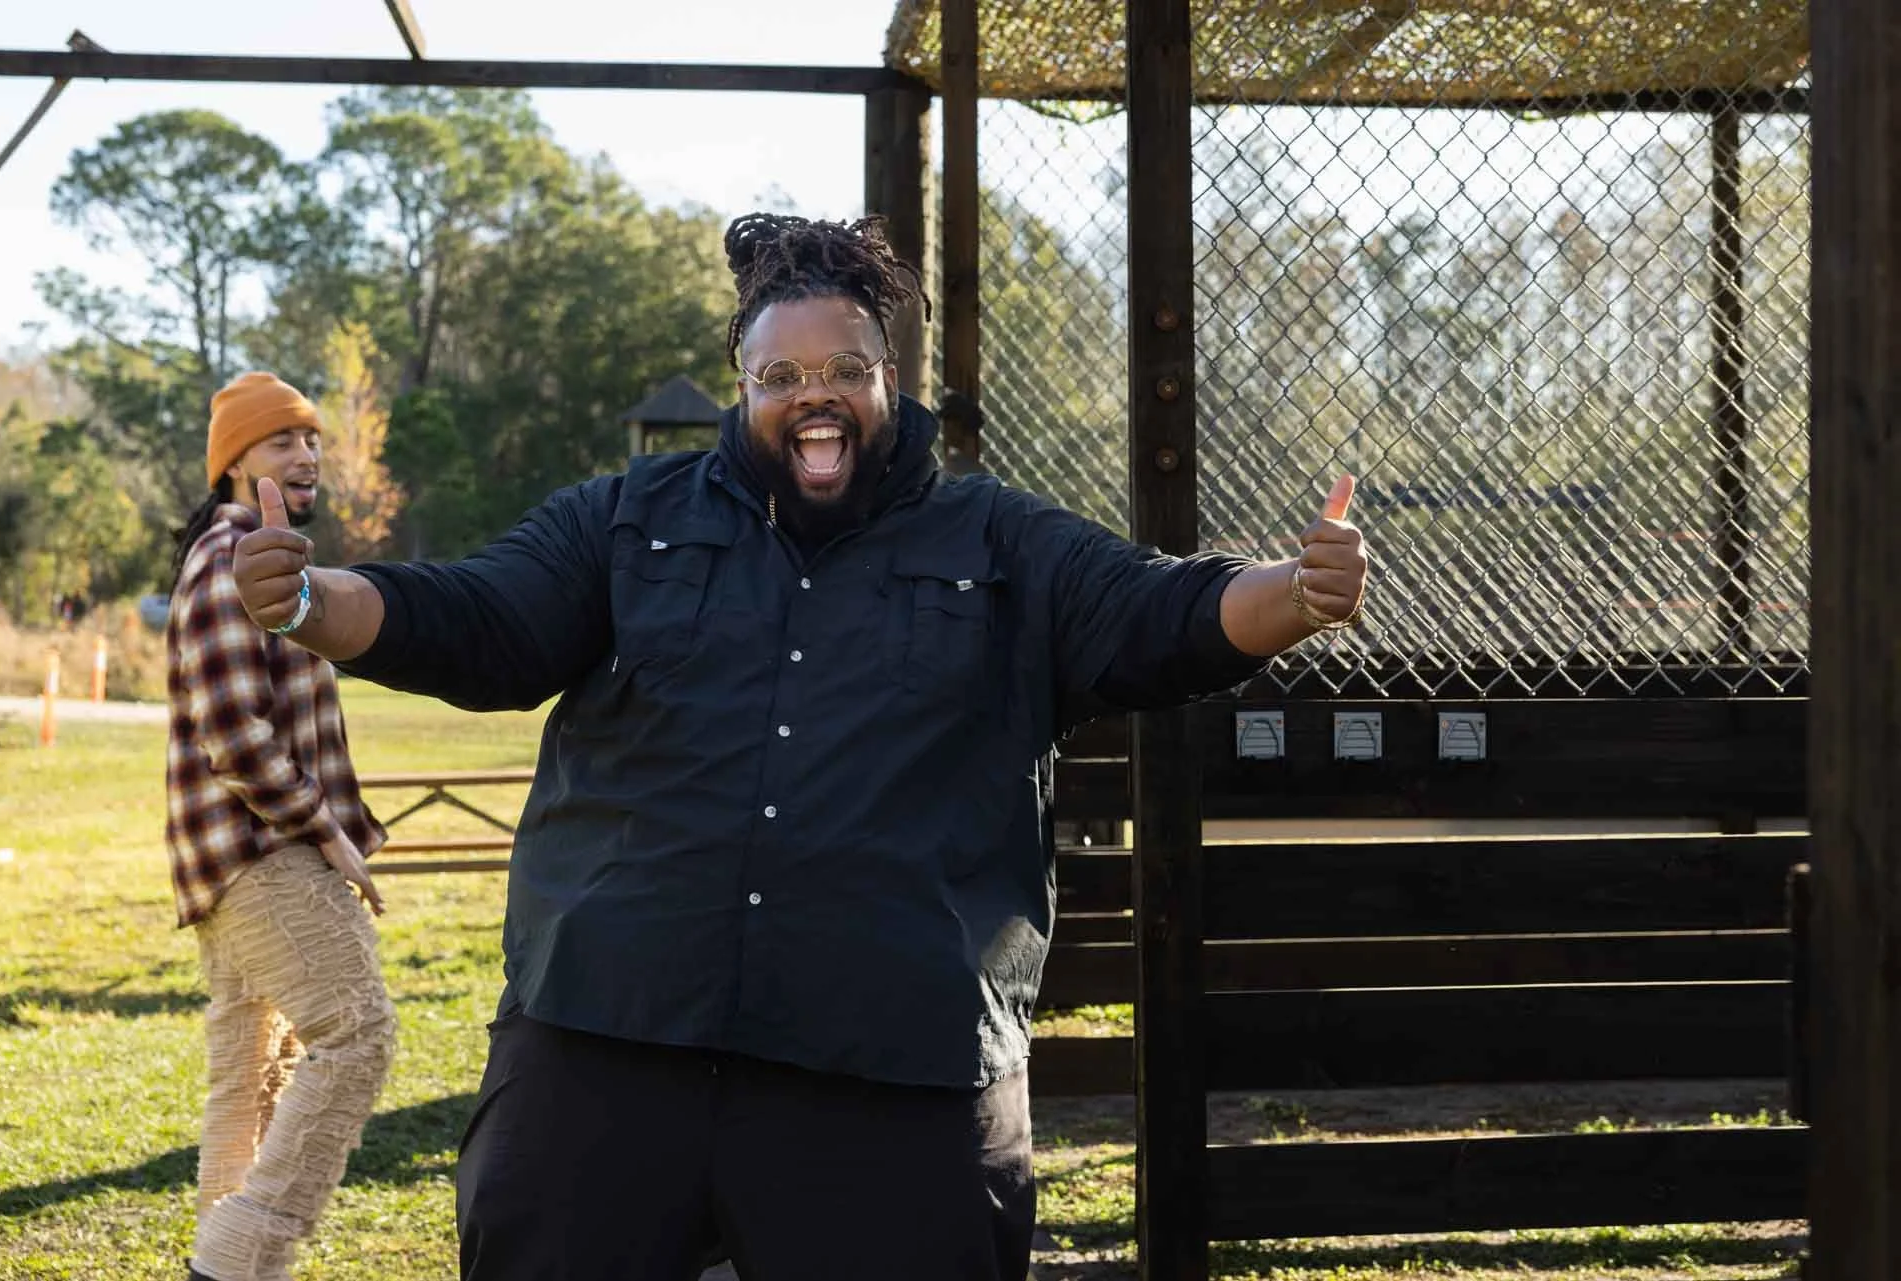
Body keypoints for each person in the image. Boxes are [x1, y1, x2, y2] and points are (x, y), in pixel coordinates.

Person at [231, 213, 1370, 1281]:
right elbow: (478, 618)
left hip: (892, 1069)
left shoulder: (1002, 539)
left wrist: (1292, 594)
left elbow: (1154, 614)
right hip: (610, 1038)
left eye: (843, 372)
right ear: (744, 387)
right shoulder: (628, 521)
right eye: (781, 376)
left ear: (888, 379)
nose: (812, 398)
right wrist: (312, 603)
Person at [165, 371, 396, 1281]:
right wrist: (326, 827)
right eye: (279, 442)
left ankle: (225, 1258)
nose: (304, 455)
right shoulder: (235, 553)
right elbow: (233, 733)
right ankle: (239, 1256)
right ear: (233, 467)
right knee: (358, 1032)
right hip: (261, 851)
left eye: (309, 440)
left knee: (250, 1067)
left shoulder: (257, 553)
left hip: (226, 860)